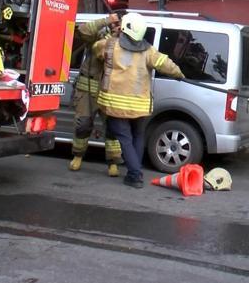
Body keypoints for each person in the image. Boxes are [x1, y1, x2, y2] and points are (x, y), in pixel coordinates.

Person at [92, 12, 184, 188]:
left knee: (124, 139)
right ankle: (135, 169)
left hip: (116, 106)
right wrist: (179, 74)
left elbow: (96, 48)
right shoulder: (148, 50)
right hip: (140, 106)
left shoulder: (110, 45)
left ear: (125, 28)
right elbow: (166, 64)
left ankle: (135, 174)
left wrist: (113, 34)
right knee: (138, 136)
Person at [68, 13, 124, 176]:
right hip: (87, 90)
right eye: (115, 23)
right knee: (83, 124)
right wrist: (106, 20)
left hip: (110, 92)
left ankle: (113, 163)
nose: (116, 27)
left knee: (113, 128)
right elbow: (83, 30)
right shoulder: (98, 36)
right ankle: (77, 156)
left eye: (119, 24)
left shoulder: (127, 41)